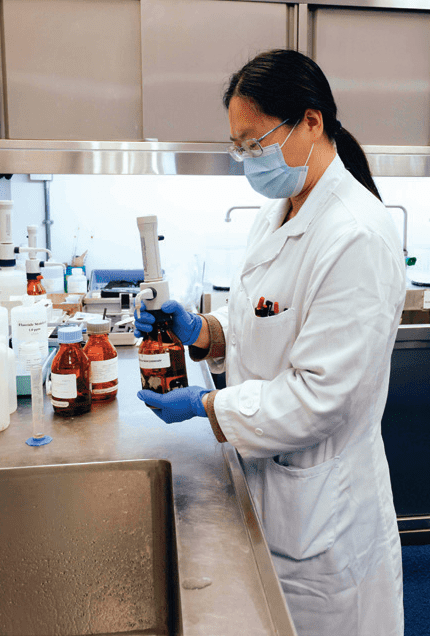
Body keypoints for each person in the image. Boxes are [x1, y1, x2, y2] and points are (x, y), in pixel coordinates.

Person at [135, 49, 406, 636]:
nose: (247, 160)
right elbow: (267, 330)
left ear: (312, 122)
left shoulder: (356, 235)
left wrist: (208, 406)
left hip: (325, 516)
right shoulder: (277, 212)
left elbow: (319, 397)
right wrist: (204, 334)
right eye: (238, 147)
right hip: (270, 481)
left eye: (254, 143)